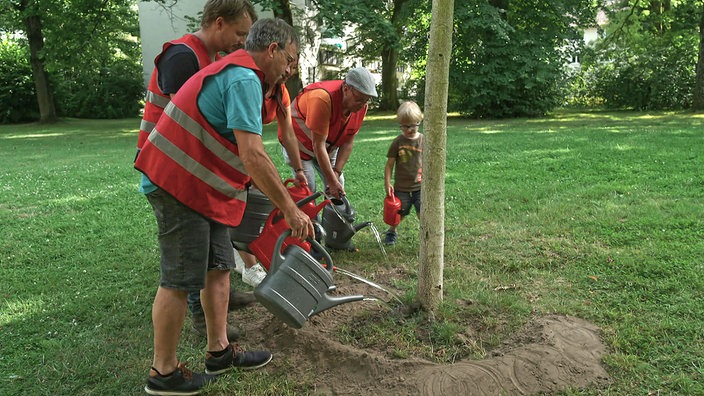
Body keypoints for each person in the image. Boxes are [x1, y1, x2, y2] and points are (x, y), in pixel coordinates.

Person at [135, 18, 312, 395]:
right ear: (273, 50)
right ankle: (162, 373)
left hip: (205, 188)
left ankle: (219, 352)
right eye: (291, 59)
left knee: (219, 268)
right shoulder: (244, 79)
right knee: (180, 279)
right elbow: (253, 153)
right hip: (177, 183)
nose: (291, 69)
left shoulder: (259, 82)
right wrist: (291, 210)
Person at [134, 0, 258, 343]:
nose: (242, 42)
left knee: (211, 253)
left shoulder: (211, 59)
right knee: (190, 257)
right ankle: (202, 321)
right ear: (218, 23)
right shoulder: (182, 56)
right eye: (239, 33)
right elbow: (188, 120)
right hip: (170, 170)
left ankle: (220, 303)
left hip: (192, 172)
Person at [232, 58, 308, 287]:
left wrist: (298, 169)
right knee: (244, 205)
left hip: (247, 148)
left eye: (294, 67)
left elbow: (288, 134)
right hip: (234, 148)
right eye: (288, 64)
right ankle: (248, 265)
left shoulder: (280, 92)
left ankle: (238, 251)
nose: (290, 71)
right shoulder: (248, 83)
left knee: (255, 201)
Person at [280, 67, 378, 199]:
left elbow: (348, 142)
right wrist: (331, 181)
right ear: (346, 89)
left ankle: (332, 219)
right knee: (308, 187)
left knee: (338, 184)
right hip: (299, 145)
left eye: (367, 100)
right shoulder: (323, 98)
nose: (363, 105)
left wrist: (336, 173)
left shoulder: (361, 107)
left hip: (326, 147)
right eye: (359, 99)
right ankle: (309, 219)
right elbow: (318, 145)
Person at [383, 101, 424, 246]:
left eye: (413, 125)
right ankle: (392, 231)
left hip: (420, 187)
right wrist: (387, 183)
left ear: (419, 122)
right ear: (400, 124)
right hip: (402, 188)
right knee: (398, 214)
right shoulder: (397, 142)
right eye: (405, 126)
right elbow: (389, 165)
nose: (409, 129)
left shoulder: (424, 141)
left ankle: (427, 237)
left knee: (423, 213)